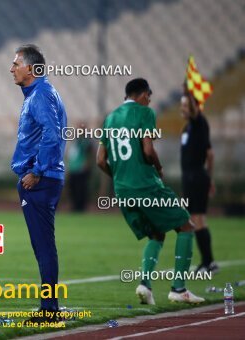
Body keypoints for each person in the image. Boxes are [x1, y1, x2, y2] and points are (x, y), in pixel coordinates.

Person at [96, 78, 204, 305]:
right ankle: (179, 288)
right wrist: (158, 166)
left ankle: (145, 285)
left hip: (123, 190)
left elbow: (100, 160)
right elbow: (147, 149)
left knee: (157, 233)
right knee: (186, 226)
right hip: (146, 185)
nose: (150, 101)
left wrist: (120, 176)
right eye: (149, 97)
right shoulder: (145, 113)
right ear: (144, 94)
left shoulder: (110, 119)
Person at [10, 44, 67, 321]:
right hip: (43, 178)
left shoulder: (41, 94)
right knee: (43, 245)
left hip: (40, 180)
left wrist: (38, 171)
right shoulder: (40, 92)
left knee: (43, 245)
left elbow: (52, 134)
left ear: (31, 69)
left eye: (16, 64)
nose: (12, 68)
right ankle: (50, 305)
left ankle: (49, 309)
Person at [180, 89, 218, 273]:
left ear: (194, 107)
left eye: (186, 105)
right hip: (189, 177)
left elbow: (210, 156)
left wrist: (208, 178)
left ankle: (208, 262)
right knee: (195, 218)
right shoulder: (188, 128)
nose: (183, 109)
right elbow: (209, 151)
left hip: (196, 176)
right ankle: (207, 261)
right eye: (182, 105)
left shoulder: (199, 122)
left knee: (198, 218)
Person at [67, 122, 93, 212]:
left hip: (81, 168)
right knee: (73, 188)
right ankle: (75, 206)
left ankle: (81, 207)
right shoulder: (75, 141)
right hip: (73, 168)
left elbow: (89, 153)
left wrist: (86, 164)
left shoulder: (86, 141)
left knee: (81, 188)